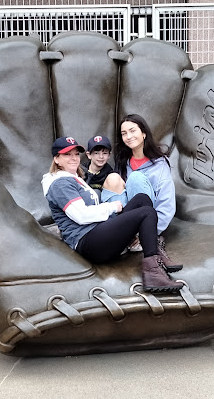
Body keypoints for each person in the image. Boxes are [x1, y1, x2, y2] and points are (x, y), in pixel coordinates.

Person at [42, 136, 183, 292]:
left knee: (141, 199)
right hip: (88, 243)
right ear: (56, 159)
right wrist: (111, 207)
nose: (74, 158)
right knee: (147, 213)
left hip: (98, 233)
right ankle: (153, 274)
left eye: (76, 154)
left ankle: (153, 251)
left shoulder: (74, 178)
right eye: (67, 154)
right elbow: (81, 216)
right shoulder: (60, 183)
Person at [114, 114, 180, 268]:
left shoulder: (159, 164)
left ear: (143, 133)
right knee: (112, 180)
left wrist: (149, 232)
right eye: (124, 134)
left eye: (132, 131)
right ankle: (121, 236)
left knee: (136, 178)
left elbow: (166, 203)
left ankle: (136, 237)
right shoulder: (123, 162)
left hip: (147, 221)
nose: (128, 137)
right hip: (127, 219)